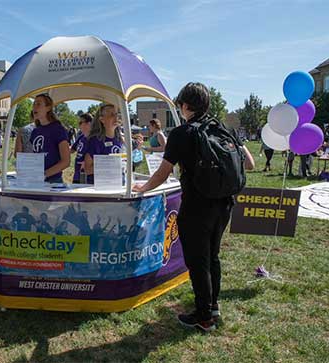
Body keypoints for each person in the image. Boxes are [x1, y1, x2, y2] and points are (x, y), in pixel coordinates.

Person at [133, 82, 255, 332]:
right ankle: (213, 306)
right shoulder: (222, 129)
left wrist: (142, 189)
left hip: (197, 205)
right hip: (224, 204)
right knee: (212, 256)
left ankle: (204, 316)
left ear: (185, 106)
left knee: (198, 262)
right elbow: (250, 164)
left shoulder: (182, 133)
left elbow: (161, 173)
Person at [29, 94, 70, 183]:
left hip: (54, 182)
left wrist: (44, 174)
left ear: (48, 108)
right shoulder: (35, 132)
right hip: (37, 182)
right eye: (34, 104)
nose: (34, 107)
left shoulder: (58, 129)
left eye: (38, 104)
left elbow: (66, 161)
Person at [83, 104, 124, 184]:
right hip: (100, 189)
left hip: (118, 186)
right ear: (102, 119)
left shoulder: (120, 139)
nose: (116, 118)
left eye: (116, 114)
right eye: (111, 115)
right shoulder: (95, 141)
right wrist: (110, 165)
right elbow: (87, 169)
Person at [71, 113, 92, 184]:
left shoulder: (95, 139)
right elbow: (72, 149)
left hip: (86, 176)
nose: (79, 125)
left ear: (88, 123)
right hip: (77, 175)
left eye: (80, 123)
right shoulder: (81, 137)